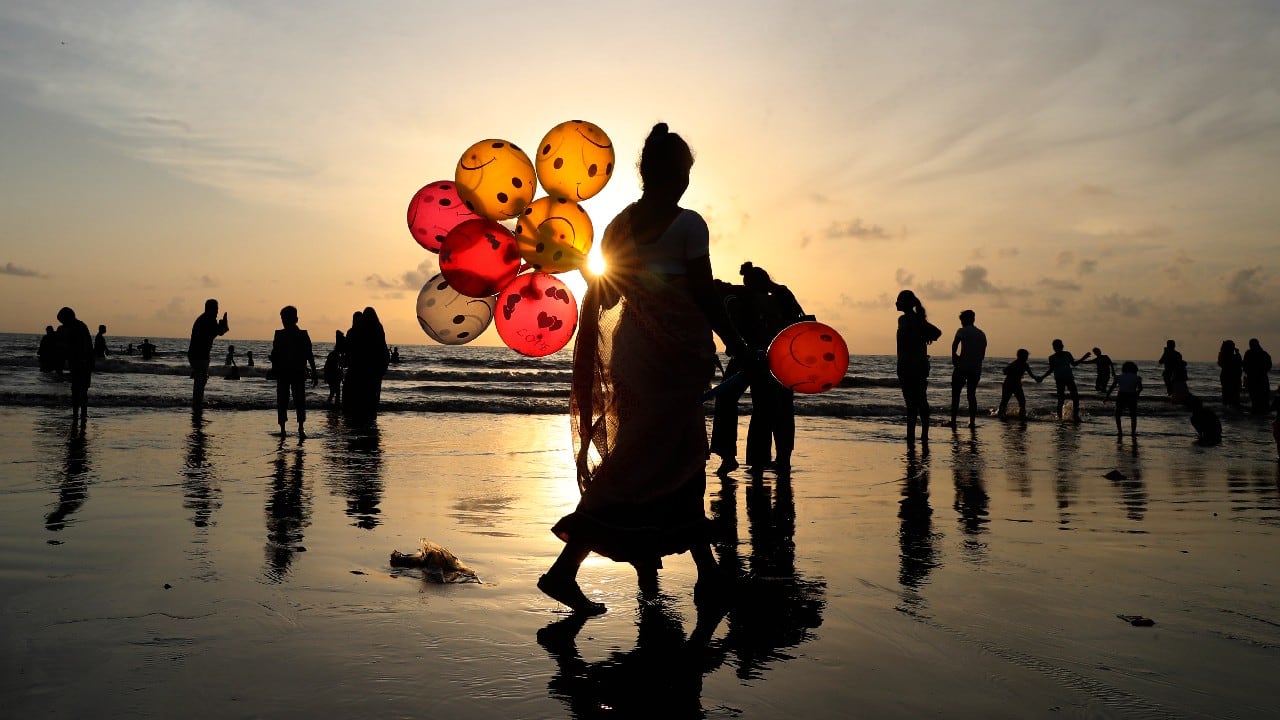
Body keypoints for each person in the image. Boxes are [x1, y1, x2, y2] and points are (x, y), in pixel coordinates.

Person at [541, 123, 726, 615]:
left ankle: (707, 573)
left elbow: (610, 294)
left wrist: (590, 270)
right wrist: (741, 341)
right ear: (677, 173)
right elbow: (704, 294)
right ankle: (563, 570)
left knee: (655, 454)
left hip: (633, 358)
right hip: (673, 362)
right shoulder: (690, 225)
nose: (687, 179)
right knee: (666, 457)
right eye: (685, 170)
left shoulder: (618, 226)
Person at [740, 261, 807, 473]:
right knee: (782, 410)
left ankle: (763, 460)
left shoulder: (772, 297)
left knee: (765, 410)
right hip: (785, 361)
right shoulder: (782, 293)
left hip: (773, 361)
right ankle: (781, 458)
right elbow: (801, 322)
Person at [895, 289, 940, 447]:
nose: (896, 303)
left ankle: (912, 436)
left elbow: (935, 333)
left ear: (905, 304)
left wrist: (922, 335)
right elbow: (936, 333)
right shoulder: (917, 320)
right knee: (921, 400)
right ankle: (923, 435)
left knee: (913, 403)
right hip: (918, 365)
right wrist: (924, 335)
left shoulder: (905, 319)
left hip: (908, 365)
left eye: (899, 301)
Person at [269, 306, 318, 437]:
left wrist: (314, 372)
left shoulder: (282, 335)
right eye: (283, 318)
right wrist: (314, 372)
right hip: (291, 372)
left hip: (290, 372)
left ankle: (291, 428)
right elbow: (309, 355)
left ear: (295, 319)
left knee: (290, 400)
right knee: (294, 400)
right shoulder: (300, 334)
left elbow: (309, 354)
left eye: (285, 318)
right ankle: (294, 429)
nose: (283, 321)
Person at [946, 309, 987, 429]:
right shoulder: (981, 334)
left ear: (964, 320)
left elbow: (955, 344)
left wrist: (954, 357)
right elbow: (982, 354)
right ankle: (972, 422)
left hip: (962, 366)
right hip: (975, 368)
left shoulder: (962, 331)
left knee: (956, 394)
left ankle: (953, 420)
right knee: (971, 395)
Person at [187, 299, 229, 408]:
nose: (216, 312)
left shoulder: (204, 318)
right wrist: (224, 326)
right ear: (209, 309)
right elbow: (217, 332)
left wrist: (222, 328)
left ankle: (197, 402)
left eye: (217, 309)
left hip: (197, 354)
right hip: (199, 354)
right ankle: (197, 404)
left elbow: (213, 333)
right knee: (201, 380)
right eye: (215, 309)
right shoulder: (208, 319)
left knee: (201, 379)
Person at [55, 307, 94, 422]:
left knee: (78, 390)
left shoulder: (75, 328)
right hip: (81, 363)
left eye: (62, 321)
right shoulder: (81, 326)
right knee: (80, 390)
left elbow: (64, 348)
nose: (62, 323)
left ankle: (78, 414)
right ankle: (81, 414)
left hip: (81, 363)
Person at [1036, 339, 1083, 422]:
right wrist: (1043, 377)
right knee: (1061, 399)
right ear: (1054, 347)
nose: (1059, 347)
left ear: (1062, 346)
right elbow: (1051, 369)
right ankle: (1060, 417)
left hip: (1069, 378)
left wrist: (1083, 358)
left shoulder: (1067, 354)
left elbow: (1074, 364)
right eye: (1056, 346)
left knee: (1075, 397)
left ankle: (1075, 416)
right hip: (1059, 380)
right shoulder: (1052, 357)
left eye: (1060, 345)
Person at [1105, 361, 1143, 440]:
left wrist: (1107, 397)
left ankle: (1120, 431)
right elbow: (1140, 388)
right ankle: (1133, 432)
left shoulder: (1119, 377)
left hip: (1121, 395)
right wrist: (1137, 393)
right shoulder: (1137, 378)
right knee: (1133, 415)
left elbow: (1112, 387)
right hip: (1132, 395)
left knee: (1118, 414)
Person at [997, 348, 1038, 420]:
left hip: (1016, 385)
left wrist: (1037, 378)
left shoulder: (1025, 365)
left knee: (1022, 401)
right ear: (1020, 356)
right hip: (1008, 384)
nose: (1027, 358)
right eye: (1025, 356)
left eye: (1027, 356)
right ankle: (1001, 414)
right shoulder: (1014, 363)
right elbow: (1004, 371)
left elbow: (1031, 375)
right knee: (1005, 400)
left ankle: (1021, 415)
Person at [1243, 338, 1272, 415]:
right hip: (1262, 379)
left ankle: (1256, 414)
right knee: (1263, 398)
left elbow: (1244, 366)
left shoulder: (1248, 353)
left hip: (1253, 379)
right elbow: (1269, 366)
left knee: (1255, 399)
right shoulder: (1264, 354)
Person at [1217, 340, 1243, 406]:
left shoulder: (1222, 354)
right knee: (1234, 394)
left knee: (1226, 393)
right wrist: (1237, 353)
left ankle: (1227, 407)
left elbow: (1220, 364)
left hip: (1226, 376)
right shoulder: (1230, 356)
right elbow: (1240, 363)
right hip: (1232, 377)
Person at [323, 330, 346, 407]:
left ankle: (331, 406)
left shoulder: (334, 354)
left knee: (333, 392)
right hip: (332, 375)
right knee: (336, 392)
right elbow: (329, 366)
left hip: (332, 375)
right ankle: (334, 406)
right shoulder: (335, 355)